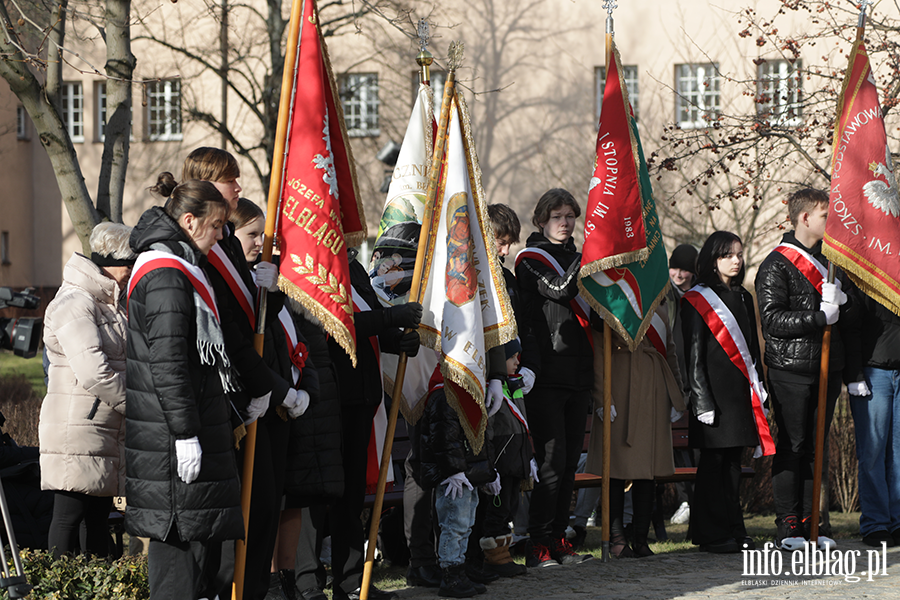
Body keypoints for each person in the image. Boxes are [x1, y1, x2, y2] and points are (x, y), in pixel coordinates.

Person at [125, 177, 244, 599]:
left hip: (183, 428)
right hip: (169, 440)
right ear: (189, 221)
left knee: (201, 562)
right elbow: (169, 361)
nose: (219, 237)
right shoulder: (166, 273)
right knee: (178, 566)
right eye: (214, 227)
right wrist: (185, 433)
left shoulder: (180, 264)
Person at [755, 187, 863, 550]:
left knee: (817, 448)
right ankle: (787, 524)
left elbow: (849, 320)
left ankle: (810, 522)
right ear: (804, 218)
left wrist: (844, 305)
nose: (830, 221)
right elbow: (772, 321)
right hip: (792, 369)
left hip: (826, 369)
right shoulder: (776, 264)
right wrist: (818, 316)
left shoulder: (831, 263)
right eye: (824, 215)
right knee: (793, 445)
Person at [231, 198, 314, 600]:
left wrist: (299, 389)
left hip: (281, 408)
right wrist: (275, 390)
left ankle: (266, 587)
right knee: (254, 509)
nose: (260, 244)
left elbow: (290, 342)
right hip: (250, 408)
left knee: (272, 505)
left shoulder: (266, 279)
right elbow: (242, 345)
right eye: (252, 235)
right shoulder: (235, 282)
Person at [40, 222, 135, 558]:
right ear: (112, 262)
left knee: (96, 519)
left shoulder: (107, 303)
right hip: (77, 426)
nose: (132, 271)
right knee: (69, 516)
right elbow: (94, 371)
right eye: (129, 263)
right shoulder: (75, 303)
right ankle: (58, 587)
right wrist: (136, 406)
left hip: (101, 425)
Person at [514, 189, 592, 567]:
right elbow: (559, 290)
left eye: (571, 216)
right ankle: (538, 543)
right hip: (547, 374)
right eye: (558, 216)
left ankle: (560, 538)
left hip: (580, 373)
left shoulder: (579, 257)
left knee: (570, 462)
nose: (566, 223)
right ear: (542, 220)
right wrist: (587, 256)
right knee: (551, 461)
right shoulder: (530, 258)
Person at [682, 231, 771, 553]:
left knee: (733, 463)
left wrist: (758, 384)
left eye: (738, 254)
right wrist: (701, 400)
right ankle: (711, 533)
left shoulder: (745, 297)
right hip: (712, 397)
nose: (736, 261)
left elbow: (750, 347)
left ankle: (735, 527)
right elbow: (692, 354)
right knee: (713, 464)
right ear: (712, 259)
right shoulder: (696, 297)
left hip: (739, 394)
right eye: (727, 255)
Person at [586, 301, 685, 558]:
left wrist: (677, 395)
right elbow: (598, 350)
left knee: (647, 470)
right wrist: (602, 397)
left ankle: (640, 538)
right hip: (618, 384)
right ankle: (617, 538)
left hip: (653, 388)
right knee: (616, 468)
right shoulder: (611, 300)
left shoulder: (659, 308)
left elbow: (669, 352)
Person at [413, 363, 497, 598]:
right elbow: (443, 439)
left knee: (466, 523)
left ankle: (460, 571)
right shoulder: (443, 397)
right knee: (453, 524)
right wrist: (453, 471)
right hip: (452, 478)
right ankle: (450, 574)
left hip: (467, 475)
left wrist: (489, 473)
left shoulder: (466, 395)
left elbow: (479, 438)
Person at [473, 339, 533, 577]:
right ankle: (494, 559)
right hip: (500, 463)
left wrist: (529, 458)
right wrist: (489, 467)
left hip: (515, 461)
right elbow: (486, 432)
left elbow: (523, 423)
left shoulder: (514, 386)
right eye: (512, 357)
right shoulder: (492, 390)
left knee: (510, 508)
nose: (518, 362)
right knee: (496, 512)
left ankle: (504, 555)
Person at [852, 292, 900, 547]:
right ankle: (876, 523)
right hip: (874, 372)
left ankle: (898, 520)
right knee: (872, 452)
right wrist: (854, 374)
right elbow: (851, 328)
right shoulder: (869, 275)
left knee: (898, 453)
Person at [667, 243, 699, 526]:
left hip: (696, 380)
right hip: (676, 379)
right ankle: (684, 499)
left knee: (695, 445)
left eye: (685, 269)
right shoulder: (665, 295)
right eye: (675, 268)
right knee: (678, 448)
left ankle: (696, 500)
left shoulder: (699, 296)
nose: (678, 274)